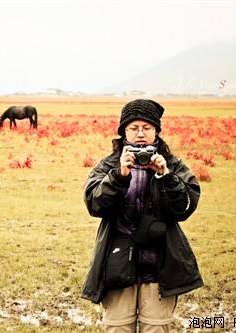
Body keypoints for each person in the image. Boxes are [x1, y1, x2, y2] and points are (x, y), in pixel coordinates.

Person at [80, 99, 203, 333]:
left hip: (159, 265)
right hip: (118, 265)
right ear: (124, 131)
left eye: (146, 128)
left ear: (156, 130)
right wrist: (119, 175)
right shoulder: (109, 165)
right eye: (133, 128)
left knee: (157, 328)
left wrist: (165, 175)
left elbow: (186, 206)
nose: (140, 134)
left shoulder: (172, 165)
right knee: (117, 328)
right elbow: (95, 204)